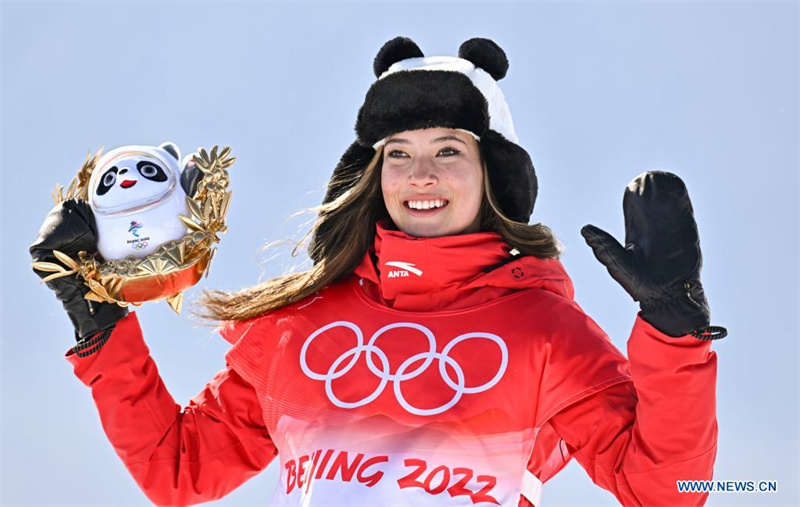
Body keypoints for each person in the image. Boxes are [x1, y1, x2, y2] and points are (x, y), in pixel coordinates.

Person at [30, 37, 726, 507]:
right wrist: (98, 320)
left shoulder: (544, 331)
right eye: (398, 152)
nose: (420, 174)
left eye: (450, 149)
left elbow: (670, 487)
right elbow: (177, 467)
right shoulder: (297, 325)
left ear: (494, 176)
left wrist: (674, 329)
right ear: (373, 173)